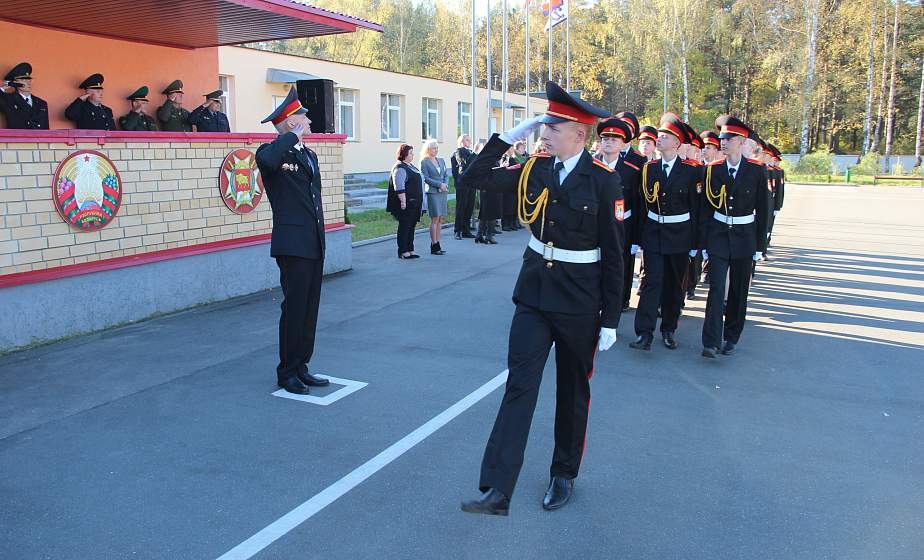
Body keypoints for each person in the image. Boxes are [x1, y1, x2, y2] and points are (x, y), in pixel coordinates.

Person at [459, 81, 625, 516]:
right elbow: (473, 179)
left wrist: (611, 318)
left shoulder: (604, 181)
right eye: (544, 124)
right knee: (520, 384)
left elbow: (614, 254)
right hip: (534, 294)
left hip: (579, 300)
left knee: (571, 391)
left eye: (553, 126)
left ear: (580, 134)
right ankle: (498, 489)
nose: (544, 132)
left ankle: (563, 473)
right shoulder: (535, 168)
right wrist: (508, 137)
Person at [255, 87, 330, 395]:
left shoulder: (308, 155)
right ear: (292, 122)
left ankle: (301, 366)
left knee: (309, 310)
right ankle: (286, 371)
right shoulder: (273, 151)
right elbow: (267, 160)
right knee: (295, 309)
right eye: (304, 118)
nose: (309, 123)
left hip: (313, 242)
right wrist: (290, 135)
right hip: (292, 244)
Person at [698, 115, 770, 358]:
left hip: (744, 236)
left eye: (729, 139)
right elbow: (705, 208)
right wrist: (703, 242)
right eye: (722, 138)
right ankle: (710, 341)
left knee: (738, 291)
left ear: (741, 141)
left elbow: (764, 209)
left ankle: (731, 336)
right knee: (716, 289)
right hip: (718, 235)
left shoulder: (756, 170)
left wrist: (760, 245)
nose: (724, 142)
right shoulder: (712, 170)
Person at [629, 113, 700, 351]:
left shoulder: (691, 171)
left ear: (677, 143)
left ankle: (668, 329)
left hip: (680, 233)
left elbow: (696, 208)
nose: (659, 139)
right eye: (658, 135)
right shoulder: (648, 169)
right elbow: (641, 205)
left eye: (665, 136)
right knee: (652, 282)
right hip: (653, 232)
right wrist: (638, 237)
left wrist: (695, 242)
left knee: (674, 285)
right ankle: (644, 333)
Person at [596, 116, 646, 313]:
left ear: (623, 143)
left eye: (614, 139)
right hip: (595, 225)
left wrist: (636, 238)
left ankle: (617, 303)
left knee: (619, 267)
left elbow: (638, 205)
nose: (608, 142)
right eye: (605, 139)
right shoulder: (591, 166)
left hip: (622, 226)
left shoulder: (631, 171)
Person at [386, 144, 424, 259]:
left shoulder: (411, 166)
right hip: (406, 203)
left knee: (411, 226)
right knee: (405, 226)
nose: (413, 155)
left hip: (414, 203)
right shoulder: (400, 168)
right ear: (404, 154)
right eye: (411, 153)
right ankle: (403, 251)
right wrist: (403, 201)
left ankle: (410, 249)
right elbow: (399, 186)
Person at [420, 139, 450, 255]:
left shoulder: (441, 160)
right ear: (428, 149)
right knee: (435, 218)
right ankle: (434, 244)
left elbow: (446, 175)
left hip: (443, 192)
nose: (436, 150)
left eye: (437, 148)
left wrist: (445, 184)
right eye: (434, 148)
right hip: (433, 192)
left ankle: (438, 243)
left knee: (440, 219)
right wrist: (439, 185)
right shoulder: (424, 162)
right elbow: (426, 178)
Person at [0, 62, 48, 129]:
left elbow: (46, 129)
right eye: (23, 80)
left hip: (38, 136)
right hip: (17, 136)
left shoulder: (41, 103)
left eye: (29, 79)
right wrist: (3, 88)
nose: (28, 82)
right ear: (15, 82)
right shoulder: (8, 100)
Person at [451, 135, 477, 239]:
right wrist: (475, 153)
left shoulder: (470, 152)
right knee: (461, 207)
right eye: (467, 140)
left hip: (471, 183)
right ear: (461, 142)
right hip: (462, 184)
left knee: (469, 207)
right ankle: (457, 230)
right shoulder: (459, 151)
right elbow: (464, 163)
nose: (470, 142)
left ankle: (466, 230)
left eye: (470, 140)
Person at [501, 141, 528, 231]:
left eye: (513, 147)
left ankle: (512, 223)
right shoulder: (505, 157)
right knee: (507, 205)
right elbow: (503, 169)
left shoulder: (512, 158)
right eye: (511, 147)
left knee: (513, 204)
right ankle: (505, 224)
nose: (512, 149)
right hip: (507, 185)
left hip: (514, 184)